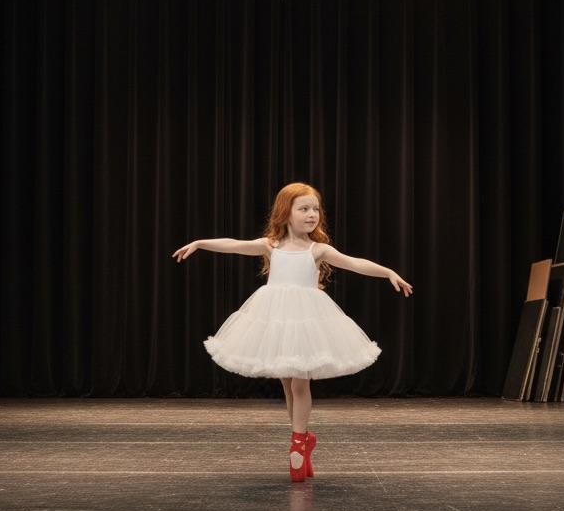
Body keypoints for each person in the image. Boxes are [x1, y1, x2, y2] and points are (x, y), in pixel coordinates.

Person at [172, 181, 412, 483]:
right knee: (287, 384)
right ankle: (302, 439)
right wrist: (201, 242)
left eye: (315, 209)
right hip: (276, 318)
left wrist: (388, 272)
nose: (312, 214)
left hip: (307, 320)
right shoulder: (270, 246)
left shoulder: (317, 249)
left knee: (300, 384)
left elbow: (355, 263)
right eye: (304, 209)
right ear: (287, 213)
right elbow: (234, 244)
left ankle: (298, 442)